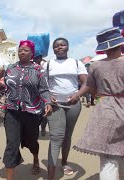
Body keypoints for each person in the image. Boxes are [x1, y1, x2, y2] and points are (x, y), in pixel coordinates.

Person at [74, 27, 124, 179]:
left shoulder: (95, 65)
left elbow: (89, 86)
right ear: (120, 44)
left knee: (108, 154)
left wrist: (76, 95)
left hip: (104, 110)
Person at [3, 40, 52, 179]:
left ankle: (35, 158)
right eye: (20, 50)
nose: (22, 52)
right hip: (12, 111)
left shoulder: (38, 70)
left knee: (31, 141)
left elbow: (44, 89)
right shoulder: (10, 68)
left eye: (26, 50)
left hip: (32, 112)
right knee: (12, 144)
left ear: (32, 53)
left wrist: (47, 102)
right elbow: (5, 86)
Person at [42, 38, 88, 179]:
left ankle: (64, 162)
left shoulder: (76, 63)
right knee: (56, 137)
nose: (59, 47)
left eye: (62, 45)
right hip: (55, 106)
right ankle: (51, 174)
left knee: (67, 136)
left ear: (68, 47)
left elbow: (87, 82)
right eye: (56, 46)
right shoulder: (48, 65)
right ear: (53, 49)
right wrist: (49, 96)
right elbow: (42, 84)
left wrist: (77, 95)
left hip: (73, 106)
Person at [33, 55, 48, 136]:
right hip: (34, 96)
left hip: (44, 94)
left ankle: (43, 127)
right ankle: (34, 129)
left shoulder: (45, 67)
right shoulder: (31, 67)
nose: (36, 59)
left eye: (38, 58)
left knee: (44, 113)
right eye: (35, 58)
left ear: (41, 59)